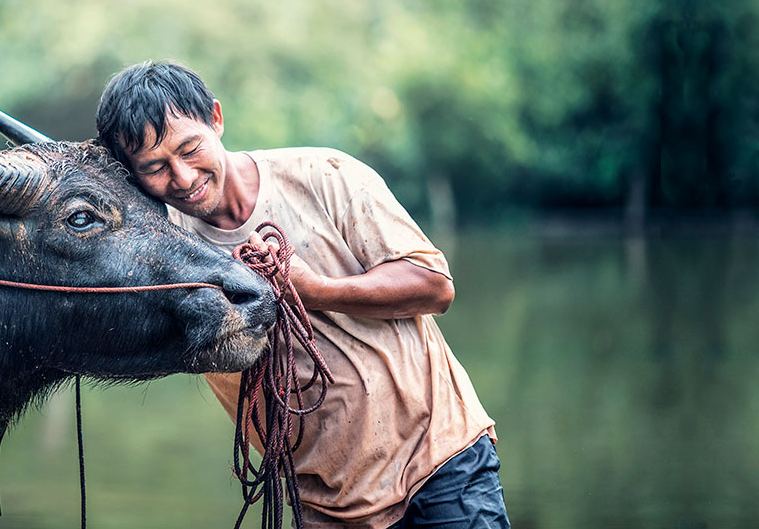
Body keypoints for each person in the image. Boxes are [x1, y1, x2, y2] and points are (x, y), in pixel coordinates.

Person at [95, 60, 509, 529]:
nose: (184, 178)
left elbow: (434, 286)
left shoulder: (326, 175)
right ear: (132, 177)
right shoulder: (163, 249)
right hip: (324, 498)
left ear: (216, 118)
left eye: (190, 149)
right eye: (155, 168)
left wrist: (319, 291)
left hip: (437, 458)